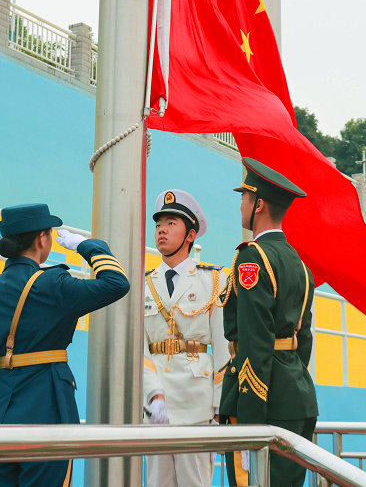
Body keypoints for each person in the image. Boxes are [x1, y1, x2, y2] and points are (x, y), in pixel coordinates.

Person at [0, 203, 130, 487]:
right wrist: (86, 245)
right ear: (42, 238)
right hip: (47, 411)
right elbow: (116, 282)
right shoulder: (53, 284)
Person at [218, 158, 318, 487]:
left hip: (263, 406)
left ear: (258, 205)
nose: (241, 205)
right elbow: (303, 339)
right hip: (296, 398)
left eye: (245, 198)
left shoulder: (253, 257)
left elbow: (255, 340)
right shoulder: (300, 263)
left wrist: (250, 421)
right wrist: (289, 380)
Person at [143, 189, 230, 487]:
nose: (162, 230)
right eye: (158, 224)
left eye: (171, 223)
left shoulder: (213, 280)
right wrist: (153, 395)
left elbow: (223, 348)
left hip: (197, 406)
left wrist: (219, 410)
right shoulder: (145, 284)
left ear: (190, 235)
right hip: (157, 409)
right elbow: (140, 350)